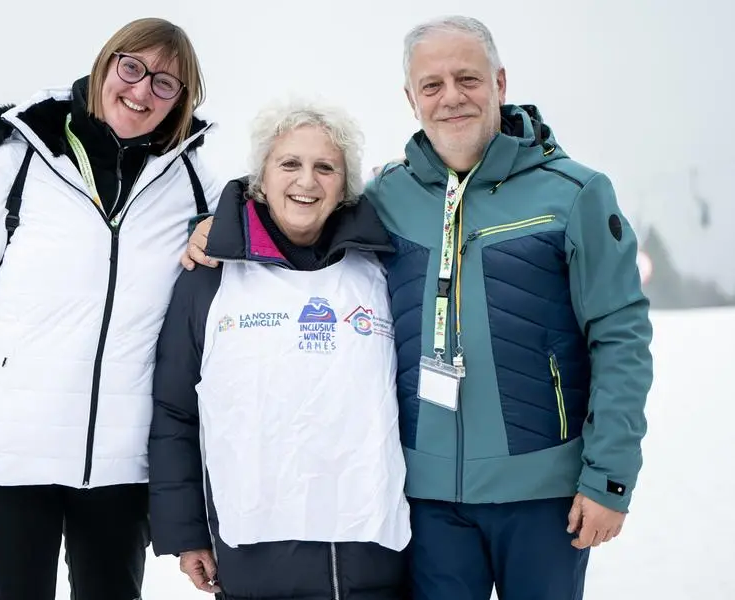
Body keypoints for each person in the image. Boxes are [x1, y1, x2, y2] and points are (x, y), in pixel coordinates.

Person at [184, 16, 653, 600]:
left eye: (468, 79)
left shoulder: (574, 194)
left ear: (500, 83)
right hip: (428, 501)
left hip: (542, 495)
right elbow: (298, 210)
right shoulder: (387, 197)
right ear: (411, 99)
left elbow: (621, 336)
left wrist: (609, 476)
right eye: (431, 85)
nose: (451, 97)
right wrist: (216, 231)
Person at [0, 17, 223, 600]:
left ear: (180, 102)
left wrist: (213, 239)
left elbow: (218, 287)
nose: (141, 90)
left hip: (120, 464)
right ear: (106, 64)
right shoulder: (20, 155)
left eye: (165, 84)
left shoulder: (192, 180)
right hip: (7, 454)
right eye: (133, 68)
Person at [149, 99, 411, 599]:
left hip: (371, 559)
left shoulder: (382, 268)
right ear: (261, 178)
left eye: (325, 167)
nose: (306, 182)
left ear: (345, 186)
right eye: (289, 163)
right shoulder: (209, 275)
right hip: (255, 559)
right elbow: (174, 410)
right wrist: (185, 533)